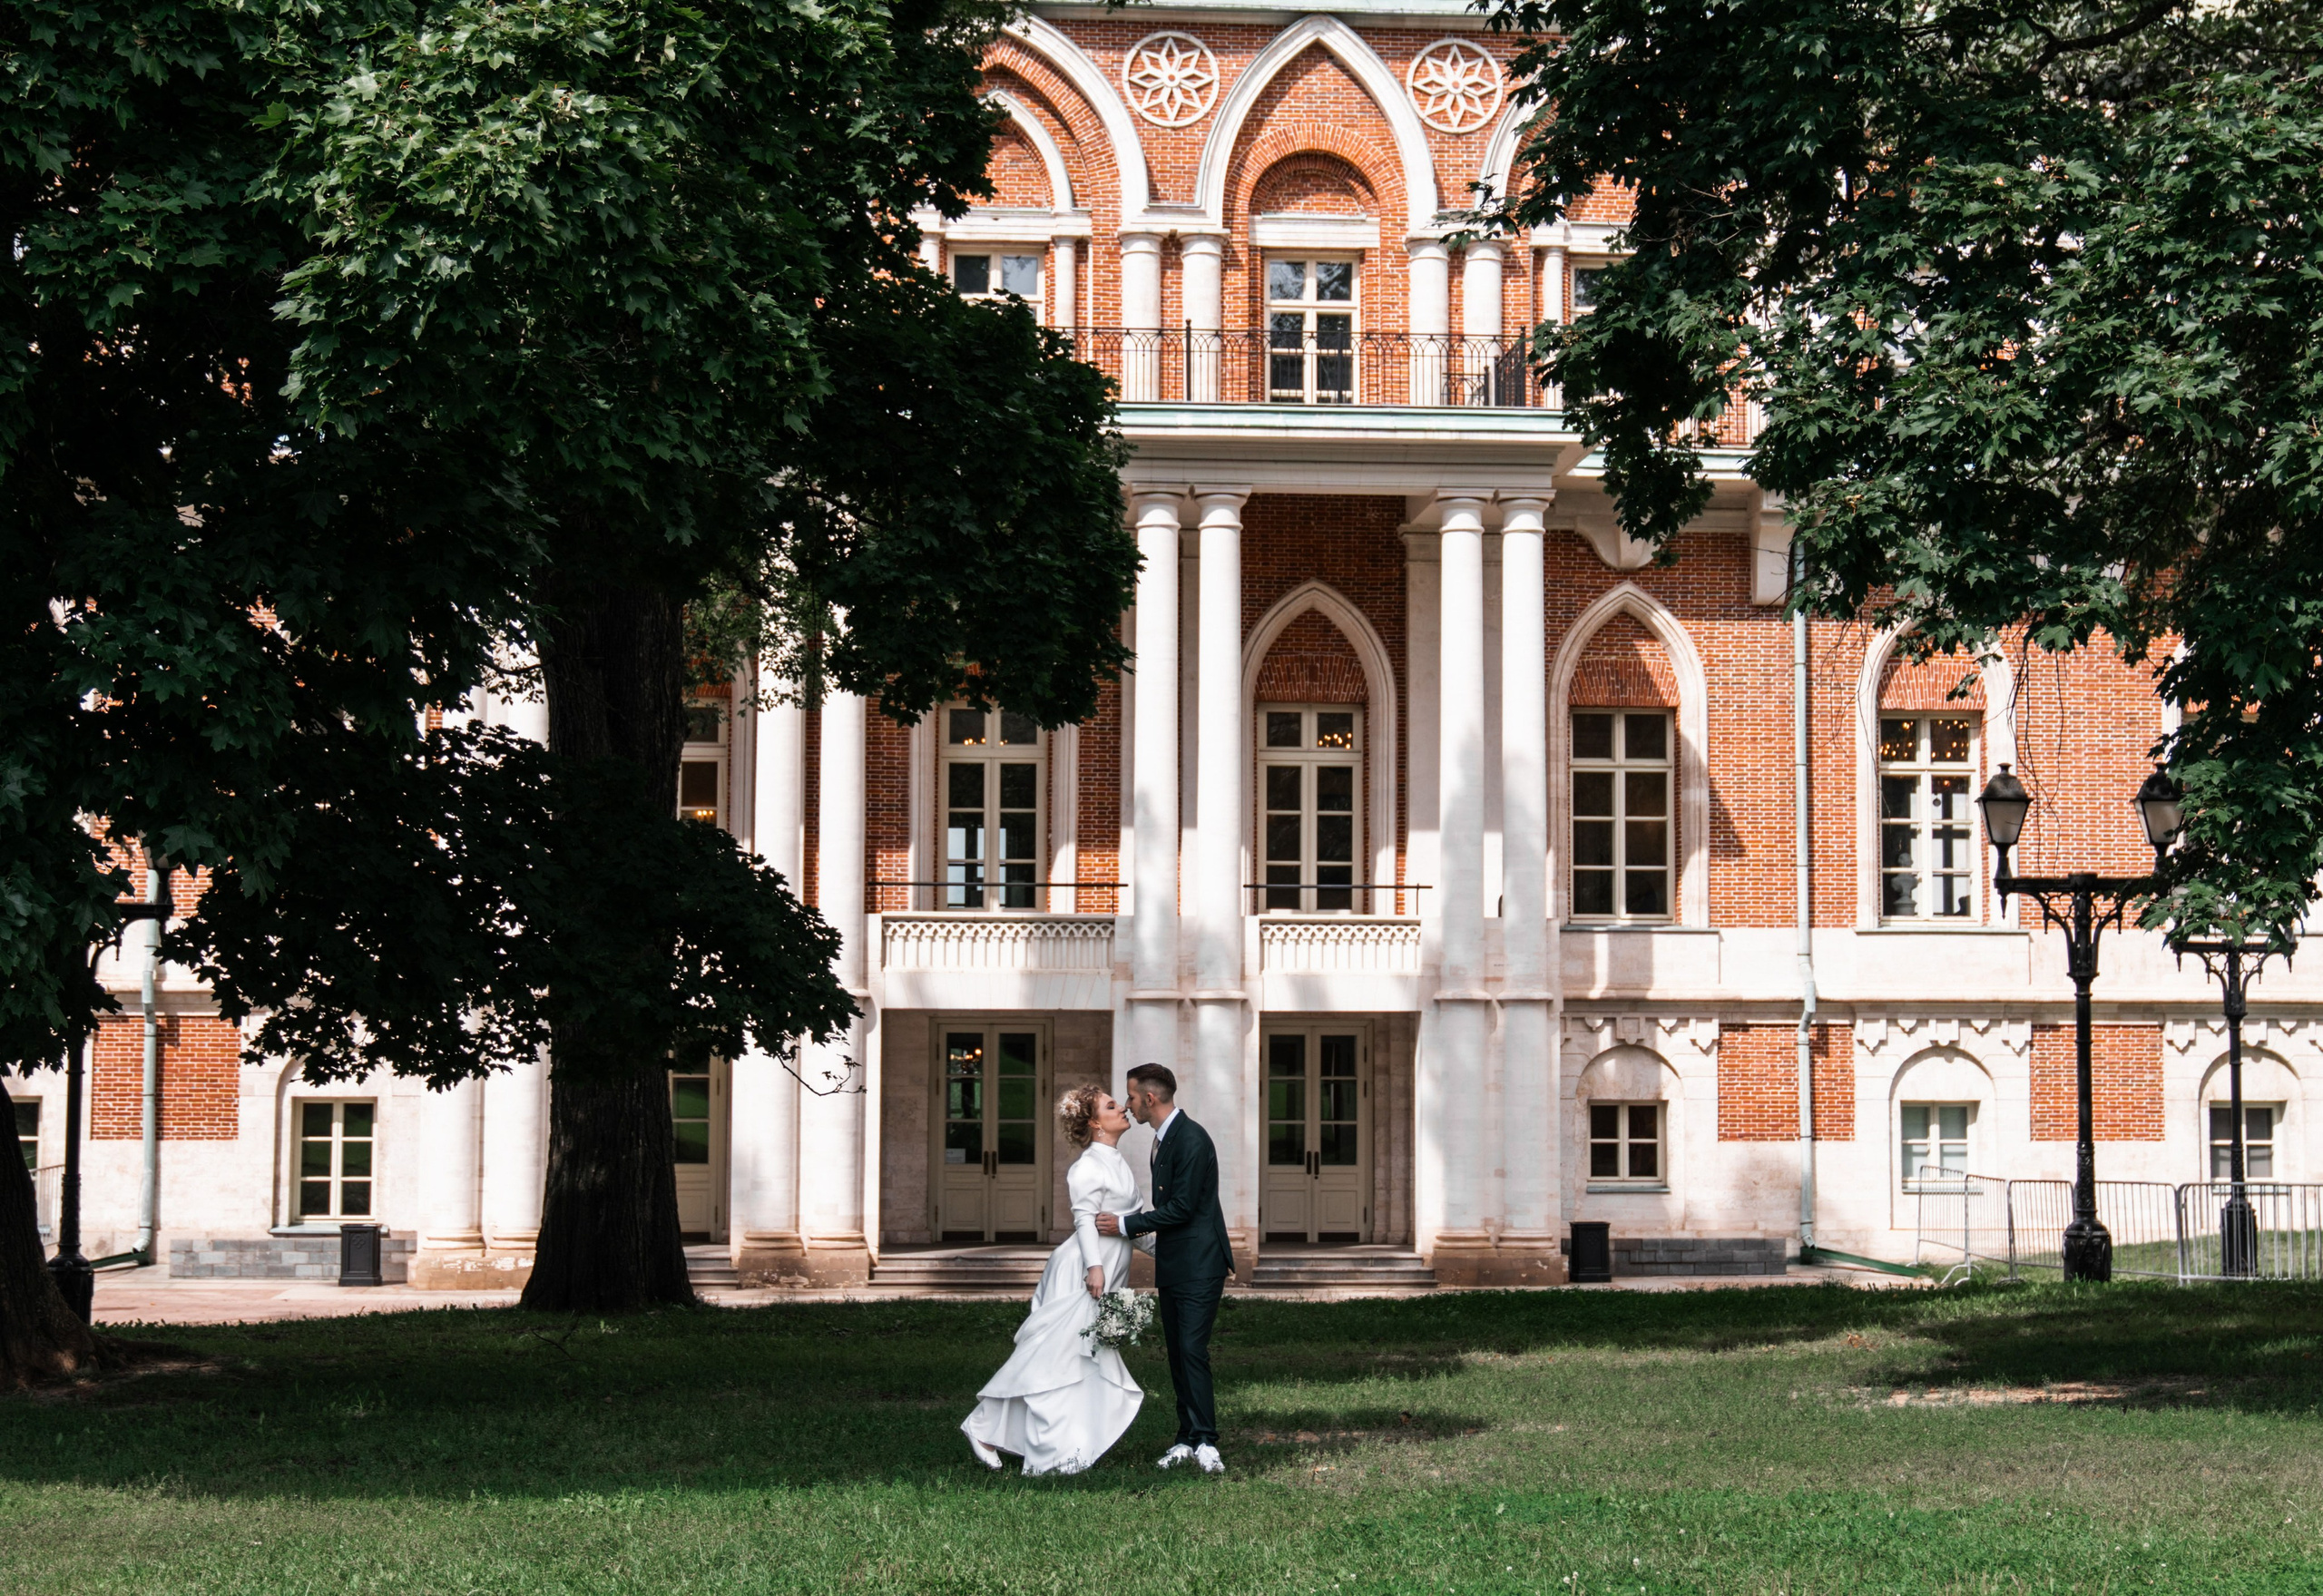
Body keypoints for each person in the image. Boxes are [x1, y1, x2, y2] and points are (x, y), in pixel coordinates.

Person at [960, 1086, 1145, 1475]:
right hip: (1083, 1271)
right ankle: (1008, 1436)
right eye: (1112, 1106)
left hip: (1111, 1271)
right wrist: (1095, 1268)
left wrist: (1186, 1257)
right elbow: (1084, 1219)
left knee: (1080, 1359)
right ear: (1095, 1123)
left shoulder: (1119, 1163)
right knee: (1057, 1357)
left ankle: (1055, 1441)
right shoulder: (1087, 1167)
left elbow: (1136, 1226)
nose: (1123, 1107)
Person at [1096, 1062, 1230, 1474]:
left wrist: (1124, 1225)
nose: (1129, 1105)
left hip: (1200, 1263)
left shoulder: (1190, 1139)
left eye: (1132, 1097)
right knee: (1178, 1353)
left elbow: (1182, 1209)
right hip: (1177, 1263)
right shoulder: (1163, 1138)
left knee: (1192, 1351)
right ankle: (1186, 1439)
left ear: (1150, 1098)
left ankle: (1207, 1440)